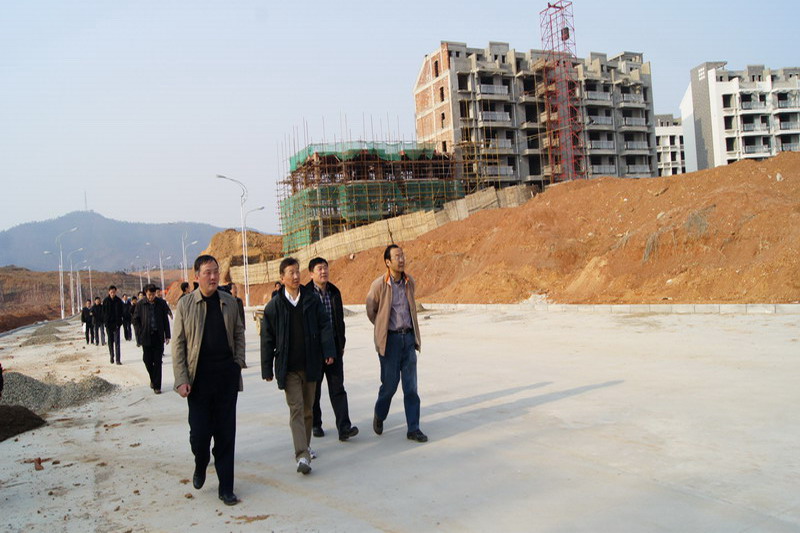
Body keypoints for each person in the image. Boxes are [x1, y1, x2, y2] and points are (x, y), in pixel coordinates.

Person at [172, 255, 245, 506]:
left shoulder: (229, 302)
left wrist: (237, 364)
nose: (213, 277)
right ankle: (201, 462)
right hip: (198, 382)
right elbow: (178, 345)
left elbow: (238, 333)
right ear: (196, 277)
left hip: (225, 378)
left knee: (226, 434)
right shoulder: (186, 305)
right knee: (199, 434)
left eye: (216, 271)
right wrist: (181, 379)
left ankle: (226, 488)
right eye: (207, 272)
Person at [261, 257, 336, 475]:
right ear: (282, 277)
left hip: (311, 364)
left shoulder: (311, 300)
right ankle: (302, 455)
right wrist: (267, 368)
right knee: (296, 409)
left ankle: (306, 445)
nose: (295, 276)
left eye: (297, 272)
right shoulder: (274, 306)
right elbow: (267, 338)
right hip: (289, 368)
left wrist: (328, 351)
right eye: (291, 273)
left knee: (308, 410)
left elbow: (325, 325)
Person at [366, 245, 427, 443]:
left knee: (411, 387)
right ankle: (380, 413)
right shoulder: (379, 285)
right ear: (388, 262)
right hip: (390, 341)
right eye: (397, 256)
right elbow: (371, 311)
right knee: (390, 386)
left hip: (408, 339)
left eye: (403, 255)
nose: (401, 259)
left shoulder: (410, 282)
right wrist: (383, 327)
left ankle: (413, 428)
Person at [306, 257, 358, 441]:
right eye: (319, 269)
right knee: (315, 390)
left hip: (334, 347)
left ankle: (344, 428)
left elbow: (339, 321)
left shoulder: (334, 292)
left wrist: (341, 343)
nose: (324, 272)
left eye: (325, 268)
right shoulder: (305, 294)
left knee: (338, 388)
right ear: (311, 273)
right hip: (314, 350)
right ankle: (316, 423)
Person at [134, 284, 171, 394]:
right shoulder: (140, 304)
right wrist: (139, 333)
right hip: (146, 336)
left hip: (158, 336)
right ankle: (153, 379)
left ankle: (157, 386)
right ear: (146, 293)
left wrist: (167, 335)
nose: (151, 297)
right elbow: (135, 320)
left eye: (153, 294)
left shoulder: (161, 303)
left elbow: (165, 319)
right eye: (149, 294)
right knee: (147, 360)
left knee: (158, 361)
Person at [103, 285, 124, 365]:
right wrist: (105, 322)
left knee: (117, 342)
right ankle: (111, 355)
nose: (112, 294)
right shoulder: (105, 301)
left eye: (114, 292)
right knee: (110, 341)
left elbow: (121, 312)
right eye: (111, 292)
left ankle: (118, 359)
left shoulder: (118, 301)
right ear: (109, 292)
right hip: (109, 324)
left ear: (116, 292)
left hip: (116, 324)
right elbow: (103, 312)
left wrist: (120, 322)